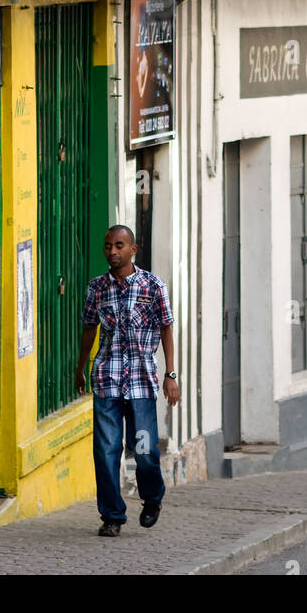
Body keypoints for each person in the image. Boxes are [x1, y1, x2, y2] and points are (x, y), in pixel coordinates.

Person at [75, 225, 179, 536]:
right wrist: (80, 368)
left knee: (144, 451)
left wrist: (170, 374)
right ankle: (112, 516)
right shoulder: (97, 289)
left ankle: (152, 497)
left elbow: (166, 330)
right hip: (106, 380)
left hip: (141, 384)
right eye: (108, 246)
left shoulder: (153, 286)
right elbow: (89, 330)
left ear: (133, 249)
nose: (112, 252)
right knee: (106, 451)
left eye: (119, 245)